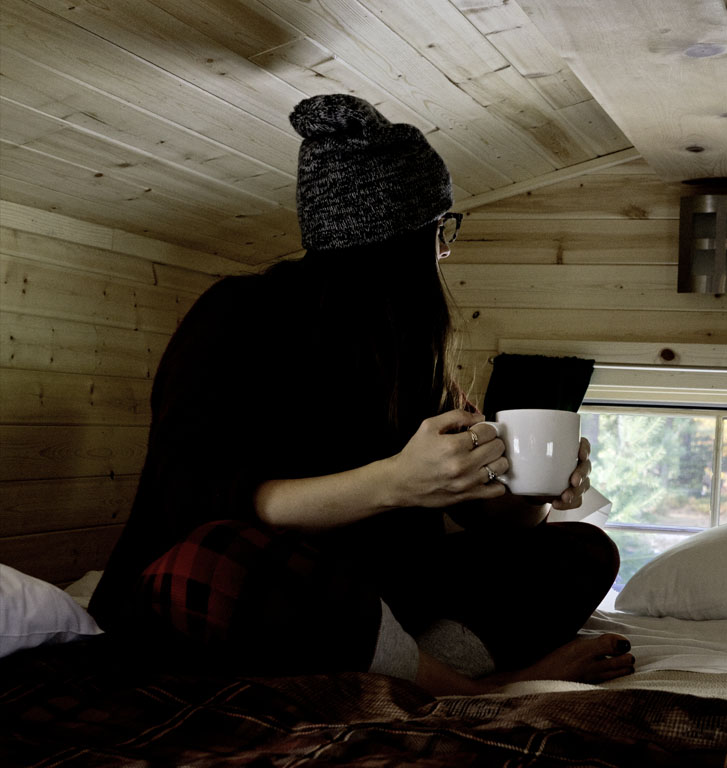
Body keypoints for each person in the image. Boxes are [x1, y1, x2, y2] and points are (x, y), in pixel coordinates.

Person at [88, 94, 633, 695]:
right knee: (217, 560)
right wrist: (394, 483)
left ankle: (402, 665)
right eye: (441, 232)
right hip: (249, 583)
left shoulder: (411, 355)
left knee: (582, 549)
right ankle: (466, 689)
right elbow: (196, 497)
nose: (444, 251)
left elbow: (492, 521)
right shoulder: (236, 316)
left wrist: (534, 492)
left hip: (370, 594)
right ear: (408, 240)